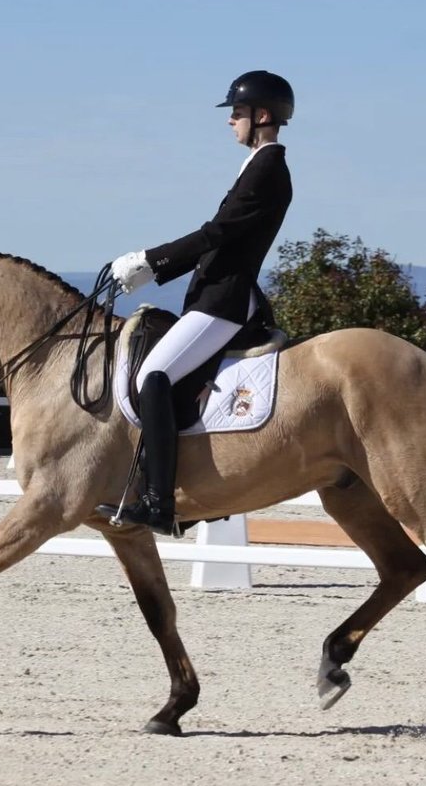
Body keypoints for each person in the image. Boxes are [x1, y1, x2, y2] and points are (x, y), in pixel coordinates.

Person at [97, 70, 295, 534]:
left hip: (223, 301)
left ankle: (159, 502)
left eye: (237, 112)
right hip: (212, 295)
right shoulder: (256, 165)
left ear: (261, 115)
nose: (230, 120)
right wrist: (156, 269)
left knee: (154, 376)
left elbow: (218, 234)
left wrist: (152, 260)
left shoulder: (268, 168)